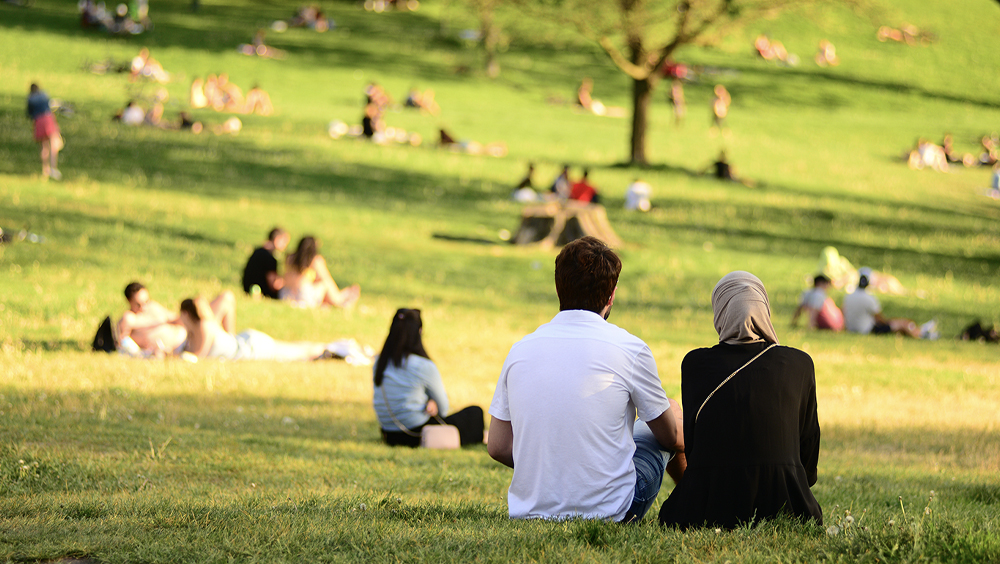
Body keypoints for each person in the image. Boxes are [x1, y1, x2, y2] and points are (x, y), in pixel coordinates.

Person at [488, 236, 685, 522]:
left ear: (559, 287)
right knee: (671, 410)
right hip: (613, 510)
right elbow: (670, 437)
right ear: (611, 295)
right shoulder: (629, 348)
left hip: (529, 511)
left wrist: (557, 466)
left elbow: (497, 446)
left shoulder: (520, 349)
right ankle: (700, 500)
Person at [658, 272, 822, 530]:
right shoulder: (799, 364)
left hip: (706, 507)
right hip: (787, 503)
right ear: (764, 310)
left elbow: (693, 445)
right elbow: (808, 443)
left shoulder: (695, 364)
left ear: (720, 311)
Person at [372, 308, 485, 447]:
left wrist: (429, 402)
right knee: (475, 413)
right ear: (419, 332)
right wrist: (434, 404)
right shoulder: (422, 365)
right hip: (416, 433)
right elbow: (443, 409)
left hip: (388, 434)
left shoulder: (379, 362)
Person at [177, 297, 366, 362]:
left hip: (252, 347)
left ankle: (337, 348)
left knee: (297, 353)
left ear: (186, 314)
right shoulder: (195, 331)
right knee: (294, 349)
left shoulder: (204, 327)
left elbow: (196, 357)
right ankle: (332, 347)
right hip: (247, 341)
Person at [117, 282, 235, 355]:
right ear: (129, 302)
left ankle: (232, 339)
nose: (143, 307)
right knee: (225, 299)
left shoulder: (153, 307)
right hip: (183, 343)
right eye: (138, 304)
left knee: (226, 298)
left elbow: (176, 319)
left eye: (146, 301)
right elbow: (122, 342)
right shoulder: (130, 318)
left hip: (189, 331)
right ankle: (232, 343)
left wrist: (195, 311)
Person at [280, 236, 360, 308]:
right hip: (304, 296)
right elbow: (326, 277)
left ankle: (341, 297)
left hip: (284, 294)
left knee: (315, 284)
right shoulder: (315, 260)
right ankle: (339, 300)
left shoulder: (289, 258)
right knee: (325, 283)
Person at [842, 268, 920, 337]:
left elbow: (844, 311)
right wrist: (889, 324)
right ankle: (919, 334)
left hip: (851, 328)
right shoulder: (869, 298)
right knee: (901, 324)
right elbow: (880, 319)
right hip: (868, 330)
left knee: (898, 323)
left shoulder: (849, 296)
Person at [242, 227, 290, 299]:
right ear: (277, 239)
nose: (285, 246)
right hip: (263, 292)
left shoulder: (257, 252)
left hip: (248, 288)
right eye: (284, 242)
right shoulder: (270, 258)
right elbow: (273, 284)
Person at [26, 83, 62, 180]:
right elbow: (49, 106)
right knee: (54, 143)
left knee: (44, 145)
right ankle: (53, 168)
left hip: (38, 121)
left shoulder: (30, 99)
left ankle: (45, 170)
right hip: (47, 118)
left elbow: (29, 113)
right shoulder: (44, 95)